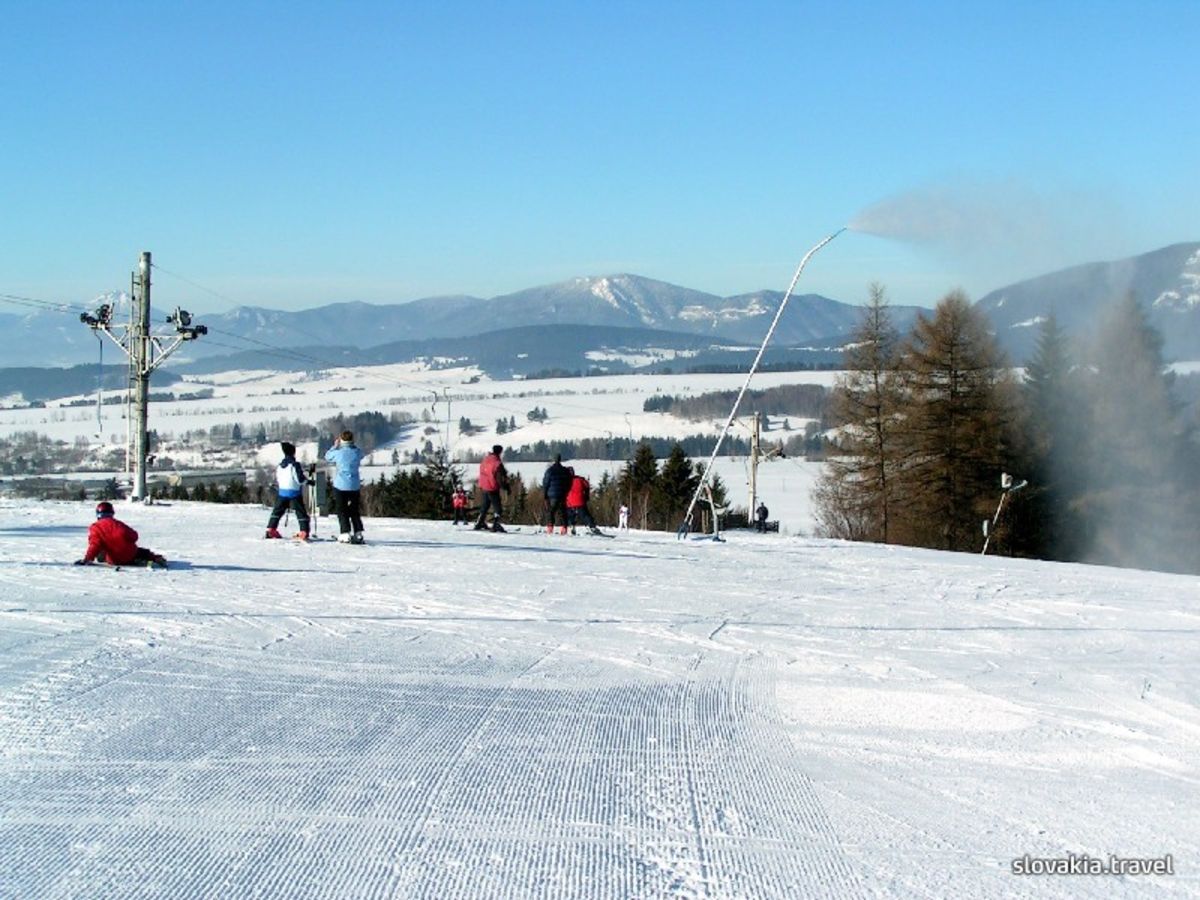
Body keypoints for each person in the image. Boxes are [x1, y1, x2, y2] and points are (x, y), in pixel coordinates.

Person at [75, 501, 167, 568]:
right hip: (130, 554)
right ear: (112, 513)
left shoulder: (95, 527)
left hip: (113, 560)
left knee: (101, 552)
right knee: (142, 552)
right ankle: (153, 558)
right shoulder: (119, 524)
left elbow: (94, 545)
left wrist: (87, 559)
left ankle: (136, 560)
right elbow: (134, 536)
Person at [325, 430, 365, 544]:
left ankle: (345, 532)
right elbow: (361, 454)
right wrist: (352, 444)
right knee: (354, 510)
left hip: (341, 484)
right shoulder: (357, 452)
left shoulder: (338, 453)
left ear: (341, 440)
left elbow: (327, 456)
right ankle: (358, 532)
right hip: (354, 485)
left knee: (341, 509)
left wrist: (335, 446)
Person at [266, 441, 311, 540]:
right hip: (294, 492)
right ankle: (304, 531)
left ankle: (271, 529)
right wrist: (308, 482)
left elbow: (278, 478)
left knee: (277, 511)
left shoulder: (280, 465)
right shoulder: (295, 465)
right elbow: (300, 479)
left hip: (282, 492)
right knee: (300, 512)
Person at [473, 445, 509, 532]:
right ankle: (495, 524)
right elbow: (499, 477)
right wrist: (505, 487)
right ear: (500, 452)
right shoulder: (497, 462)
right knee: (498, 508)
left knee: (485, 505)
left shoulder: (486, 459)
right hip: (492, 487)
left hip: (484, 485)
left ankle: (480, 522)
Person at [541, 453, 573, 534]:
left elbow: (545, 483)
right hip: (562, 494)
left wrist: (545, 494)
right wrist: (566, 491)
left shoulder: (549, 470)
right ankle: (564, 527)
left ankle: (550, 527)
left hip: (552, 495)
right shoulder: (565, 470)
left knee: (551, 511)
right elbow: (569, 482)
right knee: (562, 511)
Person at [566, 470, 601, 535]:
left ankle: (571, 526)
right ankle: (592, 527)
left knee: (570, 516)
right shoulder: (580, 479)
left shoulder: (565, 481)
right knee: (585, 516)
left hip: (569, 503)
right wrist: (586, 496)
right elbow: (587, 485)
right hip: (580, 501)